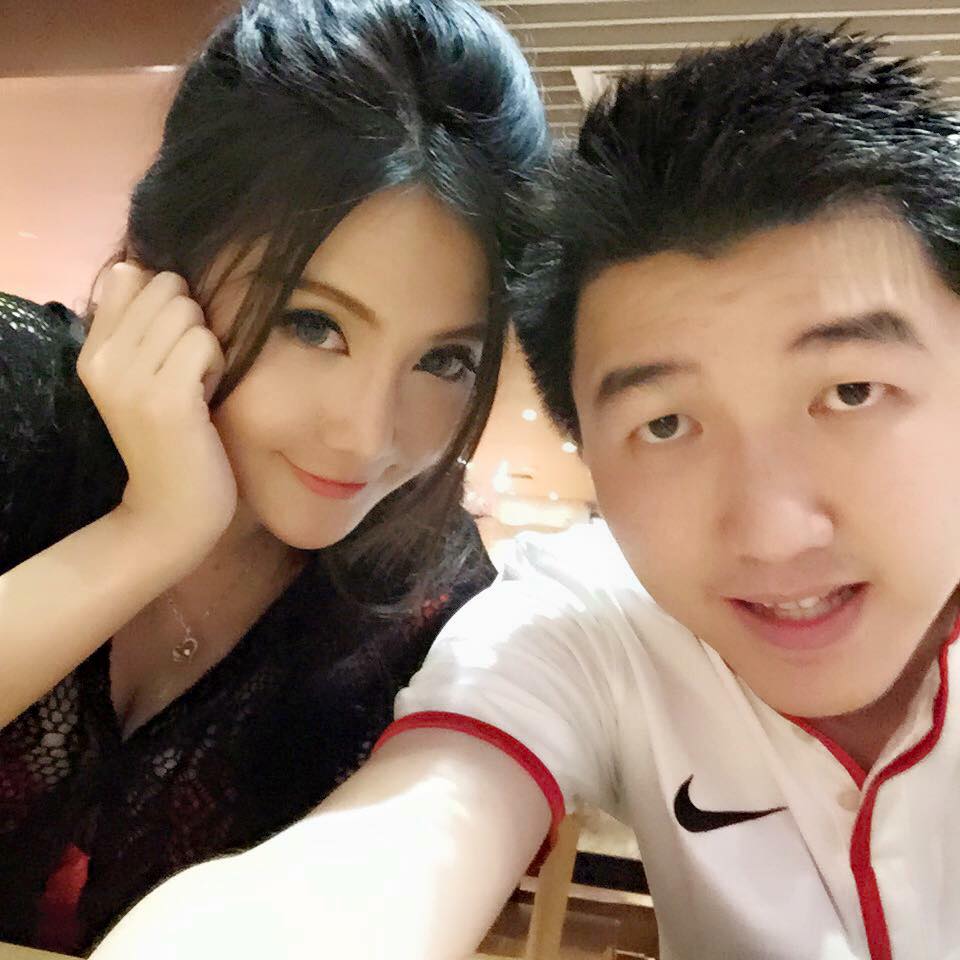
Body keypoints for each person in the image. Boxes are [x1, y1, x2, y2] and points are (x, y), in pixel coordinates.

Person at [90, 25, 960, 960]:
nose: (773, 531)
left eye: (852, 392)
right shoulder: (591, 626)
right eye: (666, 423)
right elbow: (397, 845)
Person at [0, 0, 547, 952]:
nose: (368, 437)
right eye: (313, 324)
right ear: (160, 272)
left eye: (444, 360)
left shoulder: (423, 597)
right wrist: (152, 530)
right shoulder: (17, 399)